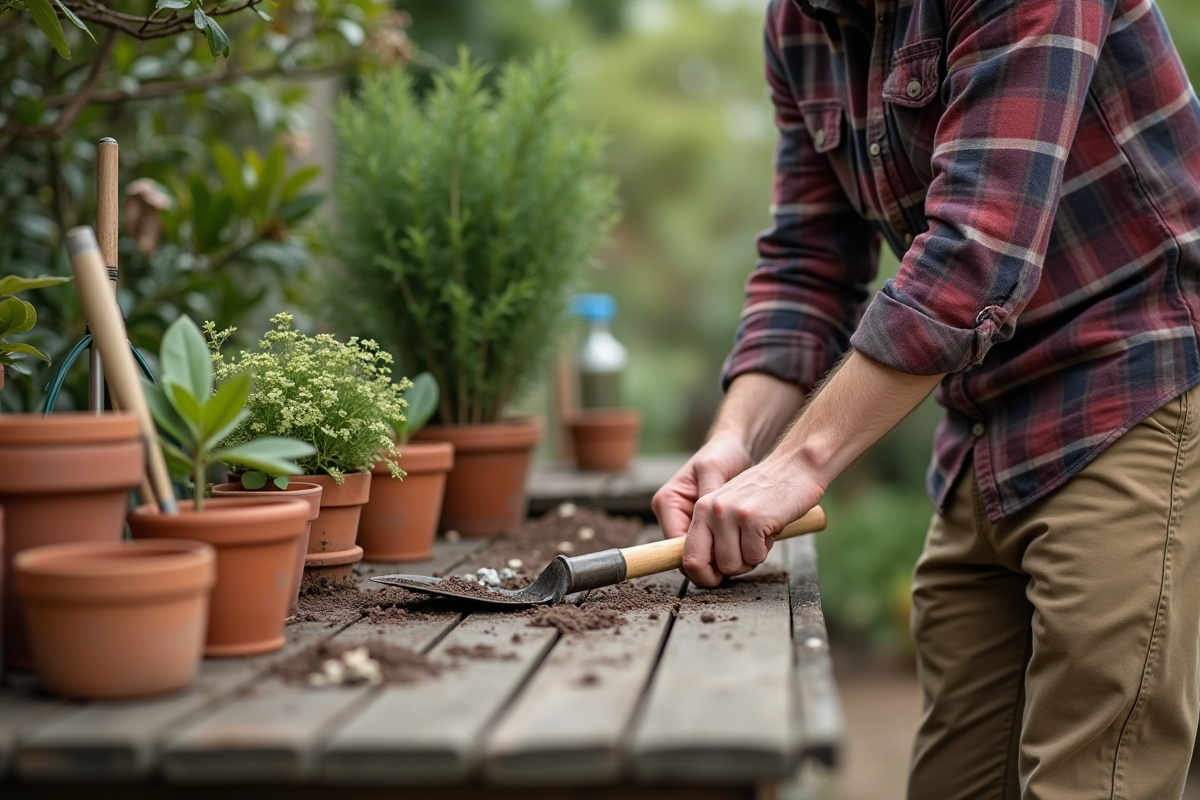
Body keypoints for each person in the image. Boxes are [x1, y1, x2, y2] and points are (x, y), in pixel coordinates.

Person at [651, 0, 1200, 797]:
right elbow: (807, 265)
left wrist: (798, 463)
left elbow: (978, 253)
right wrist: (737, 443)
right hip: (985, 427)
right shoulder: (800, 23)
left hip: (1128, 390)